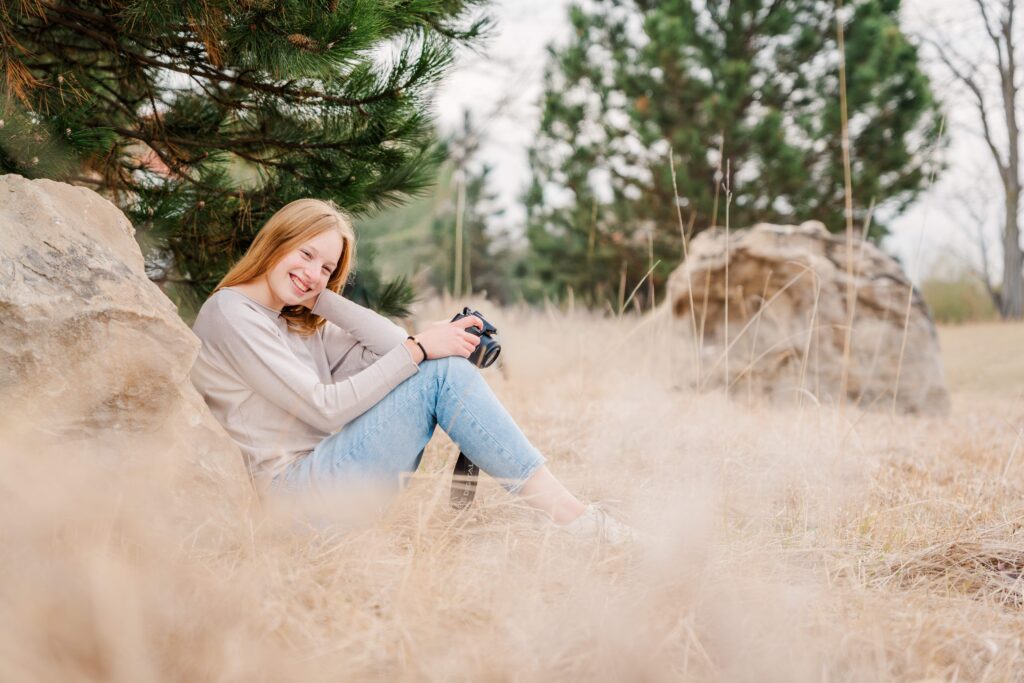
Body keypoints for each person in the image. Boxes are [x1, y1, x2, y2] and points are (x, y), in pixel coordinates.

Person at [189, 198, 635, 546]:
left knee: (438, 367)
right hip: (292, 500)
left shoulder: (294, 321)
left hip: (329, 481)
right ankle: (574, 520)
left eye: (327, 267)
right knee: (441, 374)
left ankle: (574, 518)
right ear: (276, 241)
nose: (311, 273)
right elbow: (326, 410)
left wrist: (320, 298)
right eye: (304, 254)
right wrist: (422, 346)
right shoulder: (232, 312)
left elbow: (389, 347)